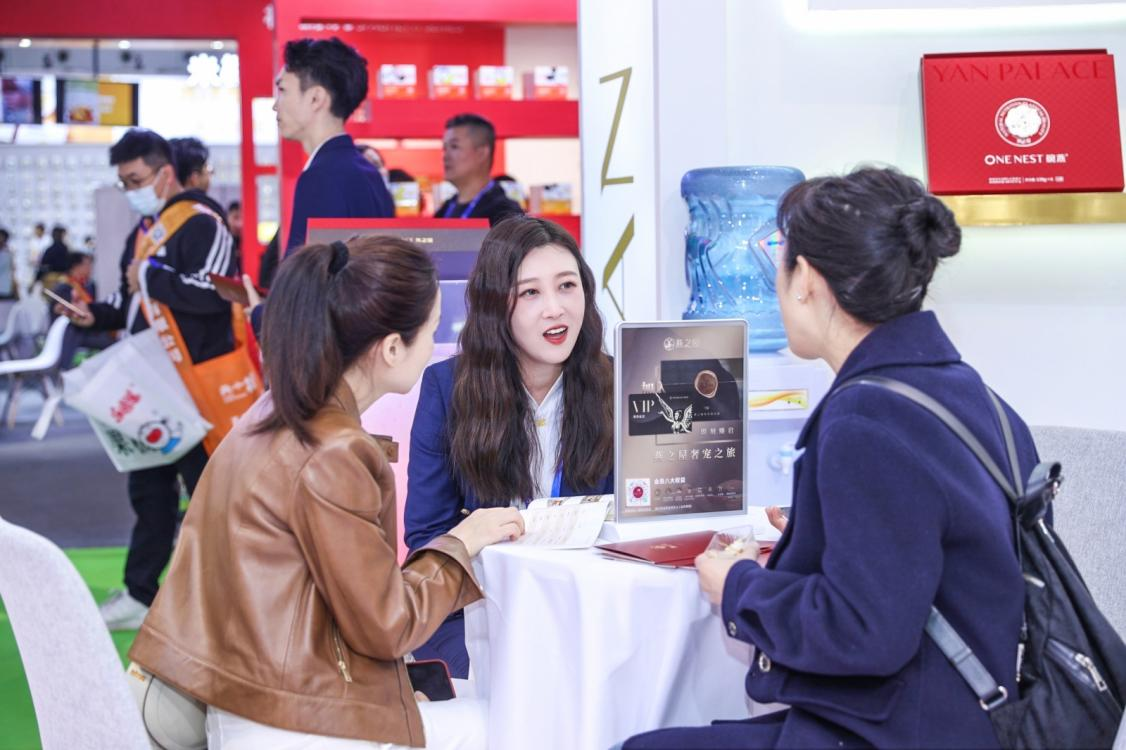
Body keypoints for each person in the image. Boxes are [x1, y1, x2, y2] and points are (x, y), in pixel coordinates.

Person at [621, 167, 1035, 749]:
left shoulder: (866, 419)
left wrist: (738, 586)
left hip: (899, 730)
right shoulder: (975, 398)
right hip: (967, 718)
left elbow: (864, 631)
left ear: (807, 280)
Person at [128, 235, 524, 750]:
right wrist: (461, 543)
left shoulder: (274, 413)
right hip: (290, 720)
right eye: (431, 331)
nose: (436, 347)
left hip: (244, 695)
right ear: (392, 348)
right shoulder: (336, 451)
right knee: (525, 725)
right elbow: (389, 623)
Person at [405, 216, 614, 677]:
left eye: (567, 286)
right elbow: (427, 539)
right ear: (496, 305)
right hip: (480, 616)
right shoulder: (448, 389)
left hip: (593, 616)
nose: (555, 309)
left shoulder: (618, 386)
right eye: (530, 293)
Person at [54, 127, 237, 630]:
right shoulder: (145, 231)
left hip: (196, 388)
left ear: (165, 174)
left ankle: (226, 601)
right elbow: (133, 302)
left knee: (210, 496)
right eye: (123, 182)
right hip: (149, 386)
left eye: (135, 180)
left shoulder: (202, 224)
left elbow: (216, 296)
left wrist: (151, 277)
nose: (130, 190)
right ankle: (141, 591)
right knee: (149, 492)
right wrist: (97, 314)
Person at [275, 37, 394, 257]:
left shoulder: (320, 177)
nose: (275, 105)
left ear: (316, 98)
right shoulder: (369, 173)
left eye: (283, 90)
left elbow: (307, 275)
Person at [436, 114, 523, 226]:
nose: (445, 156)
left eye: (454, 146)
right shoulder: (445, 210)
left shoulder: (505, 214)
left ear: (481, 153)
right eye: (444, 148)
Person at [51, 251, 113, 367]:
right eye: (87, 264)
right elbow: (68, 314)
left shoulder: (87, 286)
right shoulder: (64, 287)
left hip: (84, 330)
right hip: (73, 334)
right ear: (76, 267)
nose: (91, 268)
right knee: (110, 343)